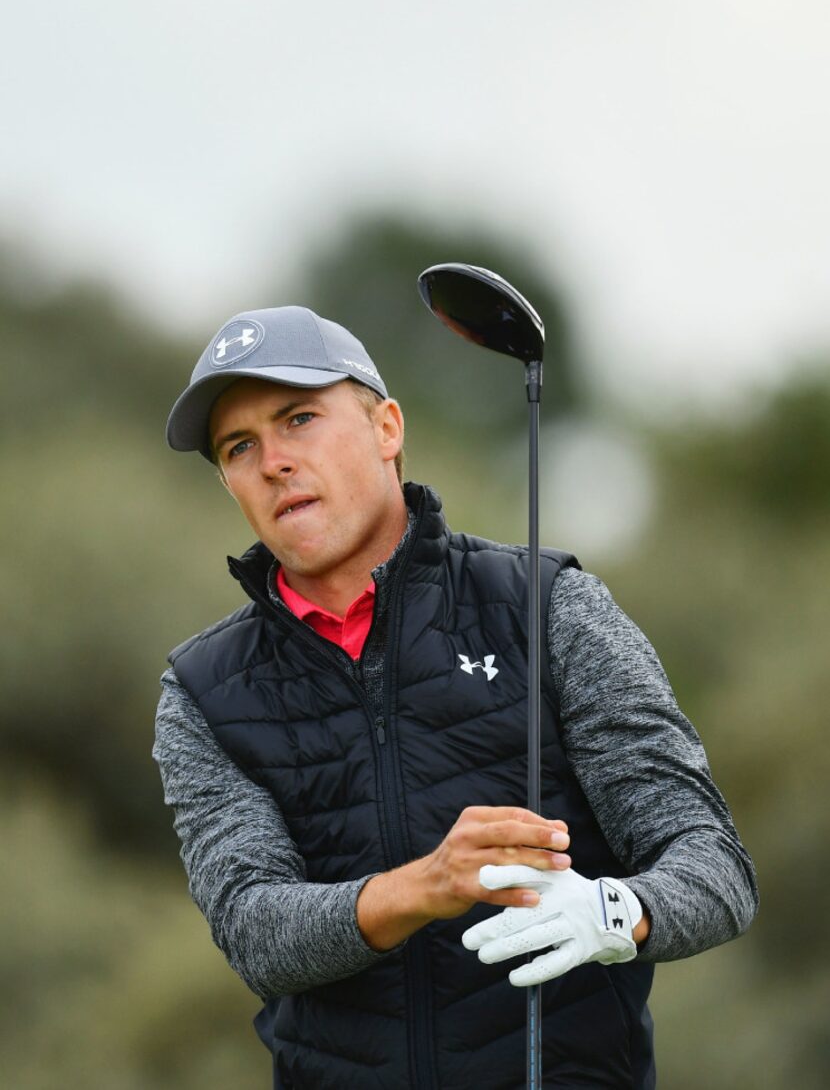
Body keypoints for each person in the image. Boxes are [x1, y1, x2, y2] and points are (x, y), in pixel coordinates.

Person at [154, 304, 758, 1089]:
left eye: (299, 418)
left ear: (387, 429)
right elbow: (256, 931)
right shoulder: (203, 690)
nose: (273, 460)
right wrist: (427, 885)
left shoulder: (547, 607)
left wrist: (616, 911)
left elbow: (714, 867)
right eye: (240, 447)